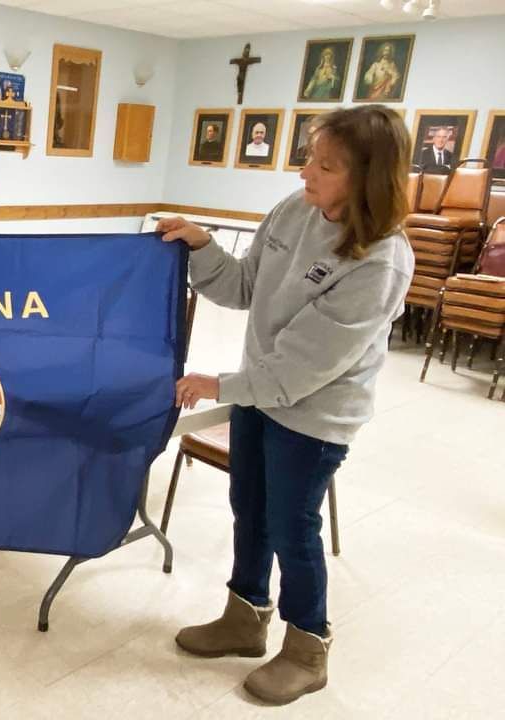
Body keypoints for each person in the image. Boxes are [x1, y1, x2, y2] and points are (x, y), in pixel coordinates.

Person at [157, 105, 414, 706]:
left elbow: (301, 370)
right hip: (262, 394)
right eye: (310, 157)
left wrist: (217, 384)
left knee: (293, 527)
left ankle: (307, 648)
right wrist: (202, 244)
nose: (306, 172)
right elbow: (243, 285)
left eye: (325, 165)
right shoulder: (294, 211)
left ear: (368, 178)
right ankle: (245, 619)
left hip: (315, 415)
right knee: (249, 506)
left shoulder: (379, 259)